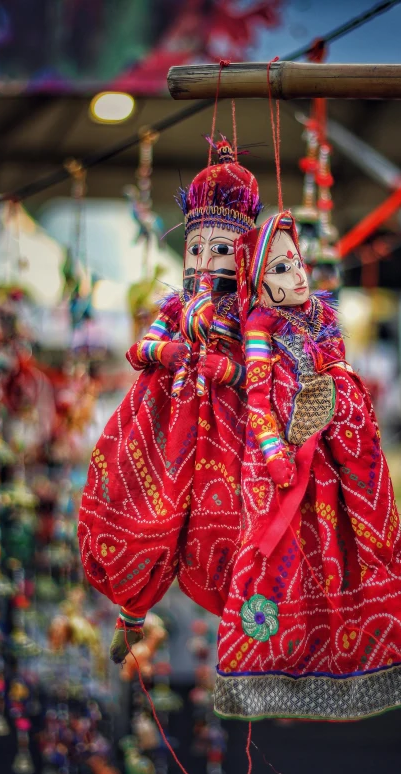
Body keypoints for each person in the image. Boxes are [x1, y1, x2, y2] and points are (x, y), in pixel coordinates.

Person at [213, 211, 401, 721]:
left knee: (365, 544)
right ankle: (277, 667)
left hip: (343, 453)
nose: (296, 274)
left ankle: (382, 652)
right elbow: (256, 396)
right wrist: (275, 450)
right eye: (278, 270)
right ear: (255, 282)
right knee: (285, 559)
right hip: (291, 460)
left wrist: (344, 407)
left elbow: (332, 368)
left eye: (295, 263)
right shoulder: (260, 327)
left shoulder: (318, 319)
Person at [78, 138, 262, 661]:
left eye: (221, 249)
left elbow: (262, 370)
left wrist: (228, 368)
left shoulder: (248, 313)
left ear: (244, 252)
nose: (205, 259)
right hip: (164, 415)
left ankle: (246, 625)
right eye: (196, 247)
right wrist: (173, 351)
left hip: (228, 421)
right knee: (144, 503)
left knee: (229, 517)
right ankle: (133, 609)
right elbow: (140, 350)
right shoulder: (179, 305)